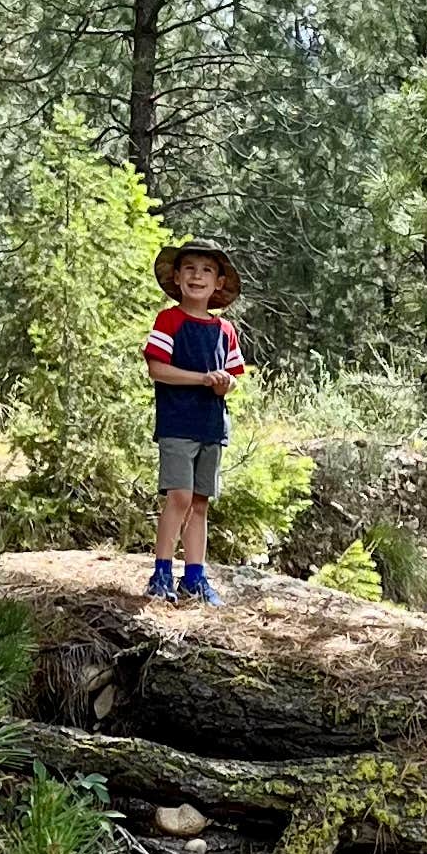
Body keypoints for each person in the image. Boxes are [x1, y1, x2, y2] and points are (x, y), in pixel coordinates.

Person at [142, 237, 246, 605]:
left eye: (206, 270)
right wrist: (202, 379)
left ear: (219, 282)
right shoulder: (169, 320)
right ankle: (161, 573)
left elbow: (233, 377)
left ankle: (195, 577)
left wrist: (222, 384)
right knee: (179, 496)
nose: (197, 276)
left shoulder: (225, 331)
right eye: (189, 268)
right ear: (177, 277)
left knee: (200, 502)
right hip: (176, 423)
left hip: (212, 427)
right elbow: (157, 369)